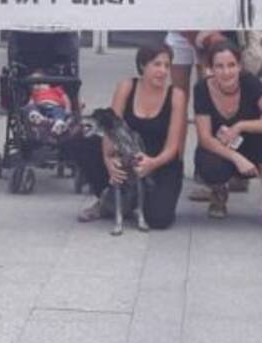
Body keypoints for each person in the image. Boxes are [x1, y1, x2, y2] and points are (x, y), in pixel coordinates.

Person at [75, 43, 186, 229]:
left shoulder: (176, 95)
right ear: (143, 65)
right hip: (126, 155)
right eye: (157, 64)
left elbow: (172, 147)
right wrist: (108, 160)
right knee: (81, 142)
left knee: (159, 220)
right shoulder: (127, 87)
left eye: (167, 66)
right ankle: (107, 199)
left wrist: (152, 163)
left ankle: (131, 202)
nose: (163, 71)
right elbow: (111, 127)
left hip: (160, 162)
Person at [192, 40, 262, 219]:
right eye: (219, 66)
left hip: (251, 143)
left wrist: (240, 126)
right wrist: (237, 159)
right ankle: (218, 191)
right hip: (219, 148)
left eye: (231, 65)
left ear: (239, 66)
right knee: (209, 163)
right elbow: (205, 138)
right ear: (210, 69)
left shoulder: (251, 83)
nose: (226, 72)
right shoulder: (202, 89)